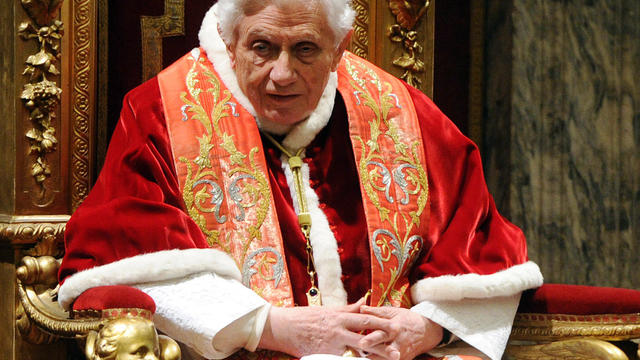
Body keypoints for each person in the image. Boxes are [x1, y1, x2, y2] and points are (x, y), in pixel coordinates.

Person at [57, 0, 543, 359]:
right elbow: (125, 261)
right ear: (230, 41)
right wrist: (271, 327)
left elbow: (480, 250)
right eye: (262, 48)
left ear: (339, 49)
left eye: (305, 50)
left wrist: (429, 326)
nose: (281, 74)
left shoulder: (401, 113)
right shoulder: (159, 113)